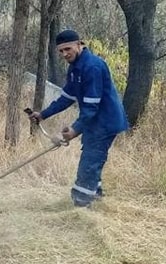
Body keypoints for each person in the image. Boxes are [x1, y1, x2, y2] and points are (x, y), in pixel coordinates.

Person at [27, 28, 129, 207]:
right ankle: (96, 199)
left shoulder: (93, 67)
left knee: (90, 161)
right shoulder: (75, 68)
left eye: (68, 49)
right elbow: (66, 98)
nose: (65, 54)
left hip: (105, 122)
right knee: (91, 159)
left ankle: (81, 205)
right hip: (94, 122)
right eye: (61, 51)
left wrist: (75, 129)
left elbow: (91, 107)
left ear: (79, 44)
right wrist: (43, 114)